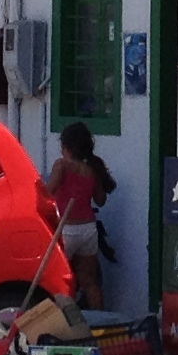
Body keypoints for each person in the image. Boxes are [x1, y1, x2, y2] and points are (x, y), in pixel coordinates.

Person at [48, 121, 115, 310]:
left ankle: (64, 325)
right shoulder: (91, 170)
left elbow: (49, 192)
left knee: (57, 281)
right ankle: (101, 325)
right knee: (90, 283)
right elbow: (100, 200)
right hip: (88, 230)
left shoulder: (61, 165)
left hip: (65, 230)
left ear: (66, 147)